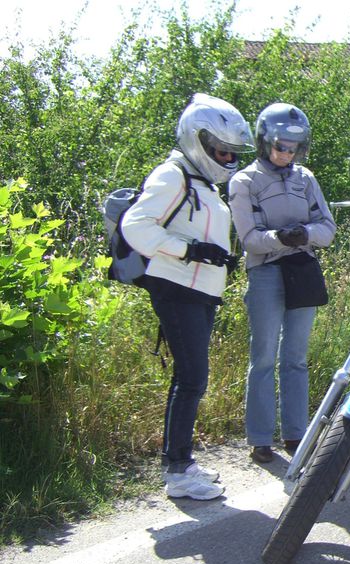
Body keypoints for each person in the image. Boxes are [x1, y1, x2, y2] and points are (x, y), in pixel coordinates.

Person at [122, 93, 254, 500]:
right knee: (193, 377)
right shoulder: (173, 174)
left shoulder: (205, 182)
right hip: (175, 287)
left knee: (189, 377)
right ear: (197, 139)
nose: (228, 158)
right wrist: (189, 250)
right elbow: (135, 226)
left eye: (233, 152)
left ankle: (181, 464)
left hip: (198, 291)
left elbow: (199, 232)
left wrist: (215, 255)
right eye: (221, 150)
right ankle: (178, 472)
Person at [229, 103, 337, 463]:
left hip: (301, 271)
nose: (286, 153)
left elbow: (328, 229)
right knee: (262, 358)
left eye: (293, 148)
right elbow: (248, 239)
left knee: (296, 358)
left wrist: (303, 233)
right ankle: (260, 439)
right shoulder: (244, 181)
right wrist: (281, 238)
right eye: (280, 146)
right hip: (265, 272)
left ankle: (296, 434)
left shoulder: (305, 178)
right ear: (263, 142)